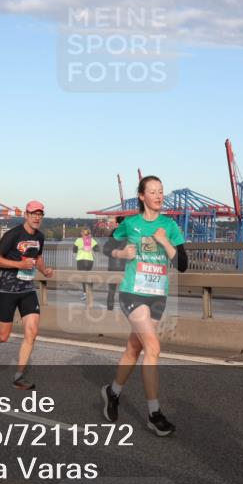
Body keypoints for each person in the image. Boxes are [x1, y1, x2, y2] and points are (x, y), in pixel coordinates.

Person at [102, 176, 188, 437]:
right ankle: (154, 413)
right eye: (153, 192)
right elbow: (107, 247)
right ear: (142, 196)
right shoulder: (131, 224)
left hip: (157, 296)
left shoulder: (170, 226)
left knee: (133, 348)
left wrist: (165, 243)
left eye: (161, 192)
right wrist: (121, 254)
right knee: (153, 346)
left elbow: (182, 264)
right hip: (132, 293)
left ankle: (112, 392)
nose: (159, 196)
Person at [0, 201, 54, 390]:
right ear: (26, 215)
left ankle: (18, 376)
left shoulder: (40, 237)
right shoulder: (13, 234)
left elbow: (38, 257)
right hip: (7, 289)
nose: (37, 217)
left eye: (40, 214)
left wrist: (44, 270)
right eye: (33, 213)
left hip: (27, 289)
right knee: (3, 335)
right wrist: (19, 265)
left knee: (32, 331)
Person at [102, 216, 127, 311]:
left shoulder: (113, 234)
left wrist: (114, 253)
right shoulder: (130, 235)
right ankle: (125, 312)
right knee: (125, 291)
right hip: (125, 267)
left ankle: (110, 311)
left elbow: (105, 250)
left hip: (112, 266)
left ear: (117, 224)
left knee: (111, 291)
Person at [73, 228, 100, 301]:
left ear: (82, 233)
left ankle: (85, 293)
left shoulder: (78, 240)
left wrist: (81, 249)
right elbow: (97, 249)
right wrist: (90, 248)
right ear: (88, 233)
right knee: (88, 276)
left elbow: (74, 250)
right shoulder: (92, 240)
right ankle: (89, 292)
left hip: (81, 260)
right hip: (90, 260)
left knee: (83, 277)